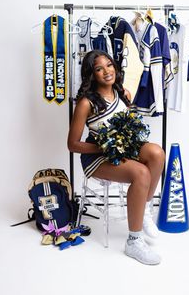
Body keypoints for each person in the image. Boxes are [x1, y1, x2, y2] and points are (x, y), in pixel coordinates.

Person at [68, 50, 165, 265]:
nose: (106, 71)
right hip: (97, 157)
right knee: (141, 173)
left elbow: (127, 126)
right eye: (99, 68)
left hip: (123, 147)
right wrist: (106, 147)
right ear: (91, 75)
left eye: (109, 65)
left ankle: (145, 208)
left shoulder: (123, 93)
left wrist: (127, 138)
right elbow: (72, 144)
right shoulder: (86, 103)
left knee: (157, 153)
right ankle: (134, 241)